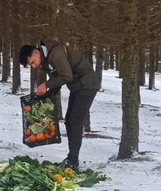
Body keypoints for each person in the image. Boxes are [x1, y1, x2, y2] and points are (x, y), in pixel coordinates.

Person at [19, 41, 100, 169]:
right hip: (77, 87)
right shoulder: (46, 60)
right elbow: (58, 79)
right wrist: (47, 95)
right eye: (31, 65)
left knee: (75, 121)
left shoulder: (55, 54)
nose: (34, 66)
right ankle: (72, 158)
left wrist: (46, 85)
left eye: (33, 62)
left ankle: (73, 160)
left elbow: (66, 76)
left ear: (36, 53)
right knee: (69, 121)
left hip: (87, 85)